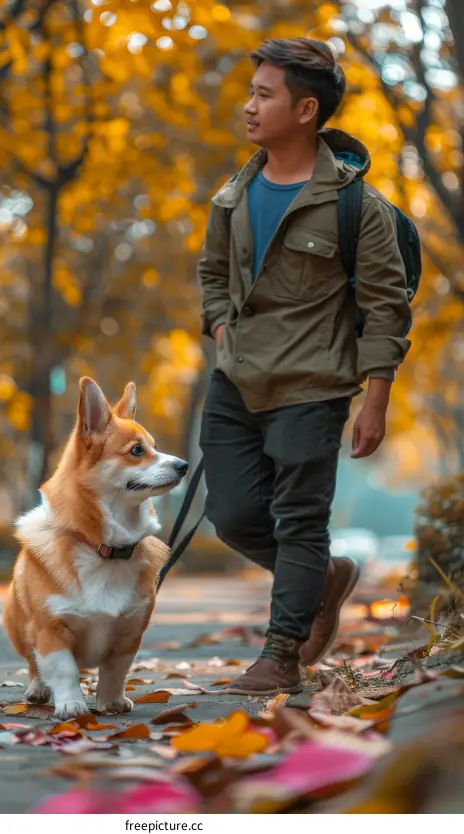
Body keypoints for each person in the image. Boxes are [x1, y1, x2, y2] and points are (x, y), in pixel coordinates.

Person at [198, 38, 411, 695]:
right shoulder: (233, 194)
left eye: (265, 95)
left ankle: (281, 653)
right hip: (236, 378)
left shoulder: (358, 209)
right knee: (230, 514)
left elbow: (387, 307)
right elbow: (211, 273)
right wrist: (220, 323)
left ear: (306, 109)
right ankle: (322, 579)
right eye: (251, 91)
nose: (249, 106)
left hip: (313, 385)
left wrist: (375, 399)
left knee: (300, 518)